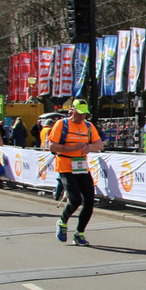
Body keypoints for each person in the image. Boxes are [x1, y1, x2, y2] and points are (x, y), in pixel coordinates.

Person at [46, 99, 104, 246]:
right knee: (75, 200)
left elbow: (100, 145)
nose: (82, 116)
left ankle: (79, 234)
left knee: (89, 201)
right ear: (72, 111)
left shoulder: (88, 126)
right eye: (79, 113)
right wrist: (74, 147)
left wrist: (87, 146)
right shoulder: (61, 124)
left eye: (84, 114)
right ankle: (62, 221)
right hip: (65, 166)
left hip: (82, 167)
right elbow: (52, 146)